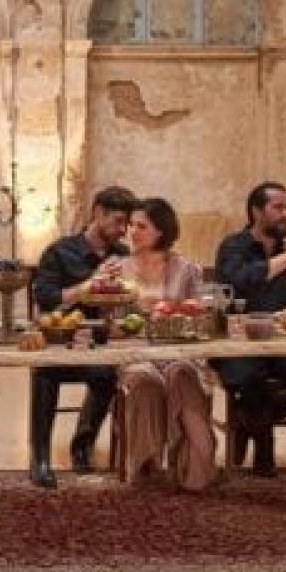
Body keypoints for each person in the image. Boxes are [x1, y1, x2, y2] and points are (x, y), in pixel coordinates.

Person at [213, 182, 286, 476]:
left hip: (283, 348)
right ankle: (264, 455)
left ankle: (246, 422)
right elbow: (241, 280)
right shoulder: (233, 247)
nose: (285, 214)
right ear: (256, 211)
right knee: (251, 381)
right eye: (278, 207)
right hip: (238, 347)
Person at [28, 186, 136, 489]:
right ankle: (40, 458)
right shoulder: (59, 252)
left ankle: (82, 446)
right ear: (97, 213)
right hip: (61, 343)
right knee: (45, 374)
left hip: (101, 344)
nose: (123, 230)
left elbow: (128, 302)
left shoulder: (123, 255)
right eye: (118, 221)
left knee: (106, 375)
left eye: (127, 223)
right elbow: (46, 299)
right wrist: (89, 285)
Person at [114, 199, 217, 491]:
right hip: (136, 351)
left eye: (141, 226)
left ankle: (196, 466)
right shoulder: (118, 269)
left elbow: (202, 315)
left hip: (179, 348)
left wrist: (176, 311)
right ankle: (146, 467)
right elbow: (113, 322)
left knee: (182, 375)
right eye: (131, 225)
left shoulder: (186, 269)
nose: (132, 231)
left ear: (161, 231)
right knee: (144, 381)